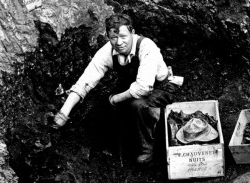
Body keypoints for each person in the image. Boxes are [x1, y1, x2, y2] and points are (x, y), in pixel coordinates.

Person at [52, 13, 177, 165]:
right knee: (103, 107)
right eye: (113, 38)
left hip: (160, 88)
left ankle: (147, 150)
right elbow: (86, 80)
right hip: (132, 86)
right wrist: (64, 113)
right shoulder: (108, 51)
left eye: (124, 36)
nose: (119, 42)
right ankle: (118, 147)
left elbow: (143, 88)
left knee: (138, 105)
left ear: (132, 32)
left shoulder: (146, 47)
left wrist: (115, 99)